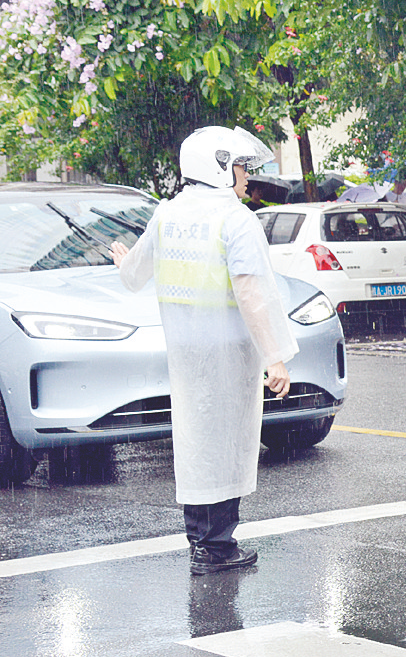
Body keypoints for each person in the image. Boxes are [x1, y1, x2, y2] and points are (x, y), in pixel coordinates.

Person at [111, 127, 298, 574]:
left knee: (195, 442)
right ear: (217, 167)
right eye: (239, 167)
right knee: (228, 443)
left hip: (186, 350)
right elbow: (253, 294)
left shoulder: (168, 214)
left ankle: (200, 539)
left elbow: (136, 272)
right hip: (228, 351)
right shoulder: (235, 220)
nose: (246, 177)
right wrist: (275, 356)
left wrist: (122, 264)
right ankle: (217, 546)